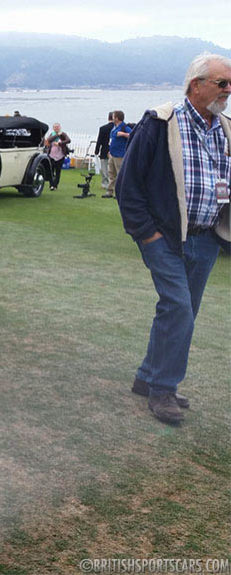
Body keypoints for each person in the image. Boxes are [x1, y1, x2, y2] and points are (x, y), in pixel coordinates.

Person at [116, 53, 231, 425]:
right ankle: (163, 389)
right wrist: (146, 235)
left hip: (208, 237)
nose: (228, 91)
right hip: (164, 237)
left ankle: (147, 377)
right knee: (179, 308)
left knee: (180, 310)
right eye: (222, 83)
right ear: (195, 85)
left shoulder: (227, 129)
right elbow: (127, 185)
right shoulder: (160, 122)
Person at [104, 110, 131, 198]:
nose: (112, 118)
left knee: (120, 174)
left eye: (114, 116)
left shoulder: (124, 127)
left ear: (117, 118)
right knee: (111, 173)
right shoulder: (114, 127)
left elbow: (132, 135)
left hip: (120, 154)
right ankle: (109, 191)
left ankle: (118, 192)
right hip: (112, 153)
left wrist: (123, 134)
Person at [43, 122, 71, 191]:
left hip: (60, 156)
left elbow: (68, 140)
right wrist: (56, 135)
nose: (56, 128)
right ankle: (51, 185)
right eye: (55, 127)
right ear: (53, 128)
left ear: (60, 127)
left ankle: (55, 185)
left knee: (58, 171)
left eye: (57, 127)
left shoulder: (63, 134)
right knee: (51, 171)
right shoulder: (52, 134)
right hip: (51, 155)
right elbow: (48, 140)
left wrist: (59, 143)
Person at [94, 112, 114, 193]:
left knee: (104, 167)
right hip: (114, 151)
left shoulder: (103, 128)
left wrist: (97, 150)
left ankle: (105, 183)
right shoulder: (118, 128)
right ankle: (112, 182)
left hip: (104, 150)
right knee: (113, 168)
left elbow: (99, 140)